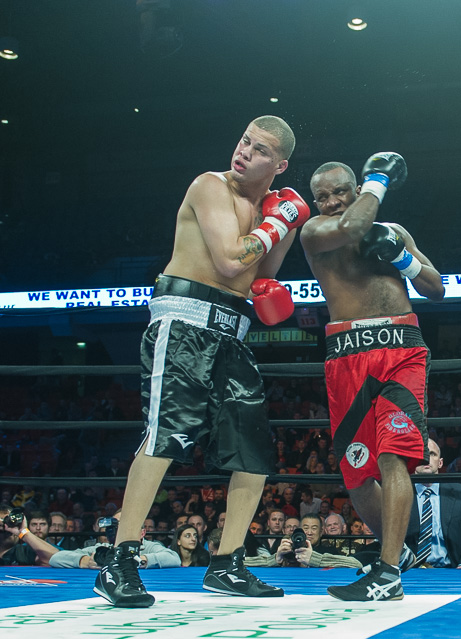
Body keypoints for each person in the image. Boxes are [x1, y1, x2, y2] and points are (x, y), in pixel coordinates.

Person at [94, 116, 308, 608]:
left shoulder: (272, 208)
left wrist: (285, 224)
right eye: (244, 141)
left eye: (260, 150)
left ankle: (227, 564)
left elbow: (263, 272)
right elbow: (231, 260)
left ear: (279, 165)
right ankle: (119, 563)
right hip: (184, 323)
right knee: (165, 438)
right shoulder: (210, 186)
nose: (244, 151)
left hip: (233, 332)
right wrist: (278, 224)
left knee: (253, 452)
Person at [300, 154, 444, 601]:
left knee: (392, 456)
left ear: (355, 188)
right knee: (357, 473)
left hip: (402, 349)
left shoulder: (394, 231)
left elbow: (436, 288)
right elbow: (352, 227)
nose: (330, 201)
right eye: (321, 196)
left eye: (339, 191)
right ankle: (397, 552)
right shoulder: (315, 233)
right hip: (348, 356)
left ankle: (387, 572)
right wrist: (378, 182)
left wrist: (402, 259)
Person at [405, 440, 461, 570]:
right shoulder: (399, 495)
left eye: (432, 454)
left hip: (452, 570)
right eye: (421, 453)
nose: (426, 458)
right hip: (410, 571)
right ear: (412, 461)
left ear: (440, 462)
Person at [51, 510, 180, 570]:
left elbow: (174, 558)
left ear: (142, 533)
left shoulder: (149, 547)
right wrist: (85, 561)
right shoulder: (104, 548)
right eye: (116, 526)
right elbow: (56, 558)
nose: (120, 530)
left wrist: (137, 560)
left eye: (125, 525)